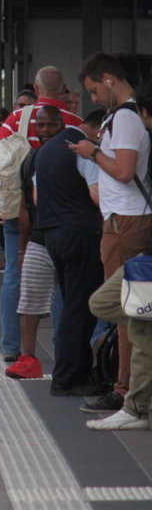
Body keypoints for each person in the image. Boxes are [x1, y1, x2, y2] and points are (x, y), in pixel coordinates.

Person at [69, 53, 152, 414]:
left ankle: (126, 391)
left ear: (108, 79)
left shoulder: (126, 119)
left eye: (93, 90)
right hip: (124, 219)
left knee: (126, 307)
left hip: (127, 223)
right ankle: (130, 388)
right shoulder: (126, 117)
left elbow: (123, 170)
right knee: (130, 306)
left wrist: (92, 153)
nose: (93, 99)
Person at [0, 66, 83, 363]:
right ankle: (60, 346)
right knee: (58, 281)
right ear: (64, 89)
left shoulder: (18, 117)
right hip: (59, 213)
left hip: (18, 209)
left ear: (35, 87)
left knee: (14, 277)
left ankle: (10, 346)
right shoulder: (74, 123)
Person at [33, 106, 104, 395]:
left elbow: (37, 198)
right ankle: (67, 378)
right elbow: (98, 196)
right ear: (98, 132)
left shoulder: (45, 153)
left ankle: (77, 372)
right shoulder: (82, 150)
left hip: (54, 235)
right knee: (80, 306)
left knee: (72, 302)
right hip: (80, 234)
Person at [5, 108, 71, 379]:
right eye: (40, 125)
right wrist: (22, 248)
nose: (44, 130)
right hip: (39, 239)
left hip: (70, 236)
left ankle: (73, 358)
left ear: (61, 125)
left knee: (73, 300)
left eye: (50, 125)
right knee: (29, 299)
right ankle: (28, 358)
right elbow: (24, 209)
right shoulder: (30, 160)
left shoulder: (72, 154)